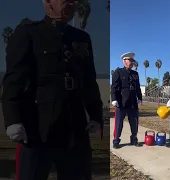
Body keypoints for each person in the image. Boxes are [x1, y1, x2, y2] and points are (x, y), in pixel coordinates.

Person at [2, 0, 103, 179]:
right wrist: (13, 119)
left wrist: (95, 115)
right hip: (37, 127)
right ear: (48, 3)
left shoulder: (81, 38)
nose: (72, 3)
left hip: (74, 128)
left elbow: (88, 81)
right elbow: (13, 80)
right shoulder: (29, 33)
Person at [111, 52, 143, 149]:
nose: (132, 62)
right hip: (121, 102)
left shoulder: (135, 74)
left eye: (133, 61)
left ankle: (134, 139)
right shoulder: (118, 72)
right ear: (124, 61)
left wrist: (140, 98)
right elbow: (114, 87)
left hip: (133, 102)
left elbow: (138, 87)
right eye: (130, 60)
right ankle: (116, 140)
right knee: (119, 123)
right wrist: (114, 99)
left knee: (134, 122)